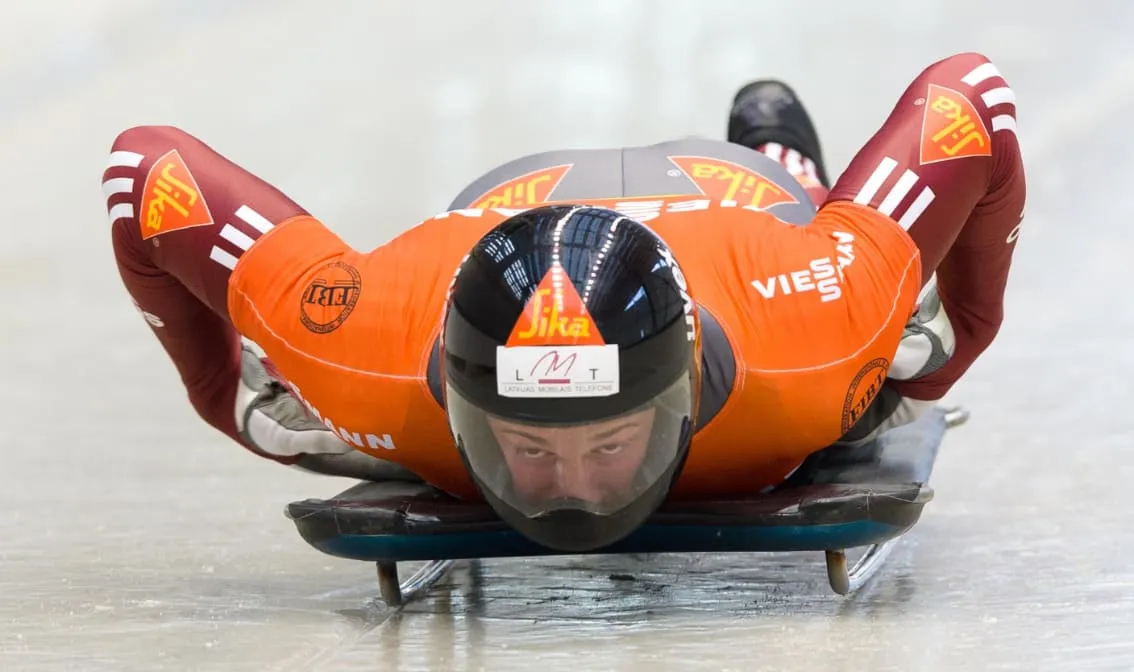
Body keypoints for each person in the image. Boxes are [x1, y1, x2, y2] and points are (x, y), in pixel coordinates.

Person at [103, 51, 1024, 552]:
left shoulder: (814, 329)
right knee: (881, 337)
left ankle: (776, 147)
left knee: (818, 228)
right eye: (530, 448)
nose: (574, 494)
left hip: (741, 212)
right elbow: (141, 171)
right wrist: (945, 354)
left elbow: (976, 96)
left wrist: (227, 399)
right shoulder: (355, 347)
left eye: (611, 444)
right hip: (509, 209)